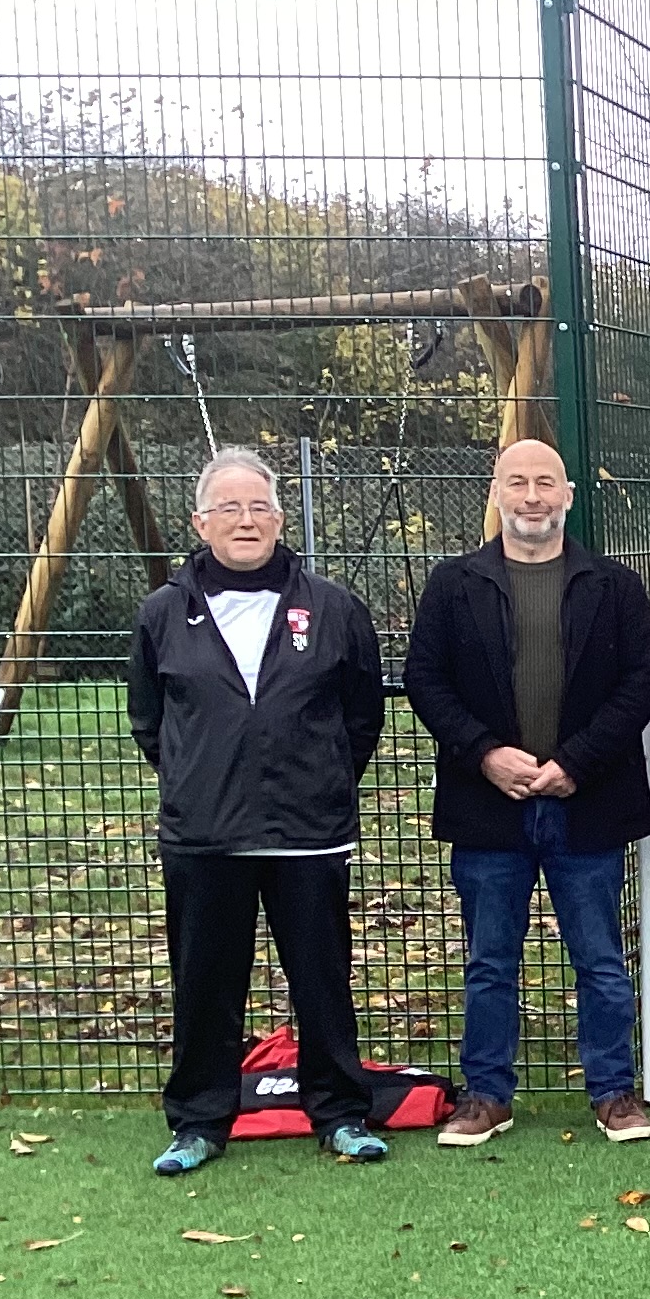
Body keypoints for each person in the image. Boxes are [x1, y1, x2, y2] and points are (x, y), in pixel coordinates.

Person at [126, 445, 389, 1174]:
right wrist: (204, 779)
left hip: (307, 832)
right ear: (200, 523)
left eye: (259, 507)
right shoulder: (161, 614)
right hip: (203, 837)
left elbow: (361, 715)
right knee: (204, 982)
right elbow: (151, 723)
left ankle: (339, 1112)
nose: (246, 520)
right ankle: (199, 1121)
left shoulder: (333, 608)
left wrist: (321, 778)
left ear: (280, 518)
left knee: (323, 981)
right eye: (229, 508)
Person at [402, 438, 650, 1147]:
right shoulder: (453, 584)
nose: (531, 497)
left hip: (588, 800)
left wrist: (577, 761)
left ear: (568, 495)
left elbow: (641, 682)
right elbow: (425, 680)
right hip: (489, 805)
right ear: (496, 492)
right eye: (517, 483)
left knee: (601, 959)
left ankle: (613, 1091)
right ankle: (486, 1094)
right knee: (490, 960)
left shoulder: (614, 586)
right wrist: (486, 754)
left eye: (545, 483)